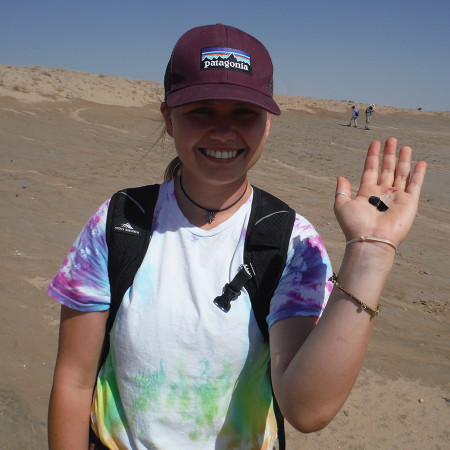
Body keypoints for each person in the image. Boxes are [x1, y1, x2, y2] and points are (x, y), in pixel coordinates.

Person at [47, 24, 427, 449]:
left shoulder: (292, 243)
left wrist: (370, 255)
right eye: (201, 110)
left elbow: (306, 408)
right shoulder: (120, 221)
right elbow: (74, 382)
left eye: (244, 112)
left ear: (267, 125)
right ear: (169, 119)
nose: (223, 131)